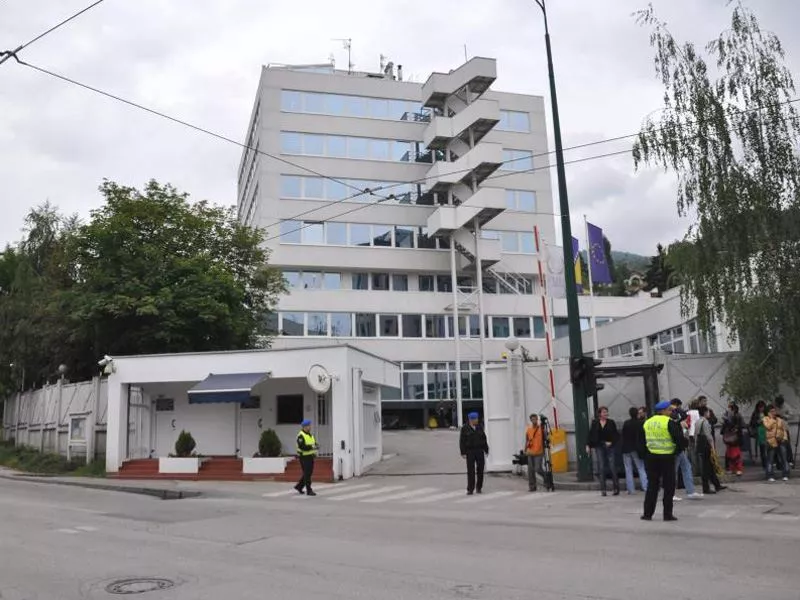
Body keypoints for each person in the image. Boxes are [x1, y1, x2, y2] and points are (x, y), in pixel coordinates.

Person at [642, 400, 688, 522]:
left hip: (651, 456)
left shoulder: (648, 422)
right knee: (669, 486)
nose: (671, 412)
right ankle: (667, 514)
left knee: (652, 486)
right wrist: (679, 449)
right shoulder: (669, 422)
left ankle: (647, 514)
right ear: (662, 411)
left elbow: (643, 440)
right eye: (669, 410)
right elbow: (679, 439)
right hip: (667, 457)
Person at [671, 398, 703, 500]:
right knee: (675, 471)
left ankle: (690, 491)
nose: (687, 422)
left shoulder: (678, 425)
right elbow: (678, 438)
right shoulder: (675, 425)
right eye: (685, 420)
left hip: (679, 450)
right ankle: (672, 493)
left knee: (686, 467)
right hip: (676, 450)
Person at [587, 406, 620, 496]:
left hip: (610, 446)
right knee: (601, 467)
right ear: (600, 414)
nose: (606, 414)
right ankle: (603, 489)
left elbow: (616, 434)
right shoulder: (595, 423)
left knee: (612, 466)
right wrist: (588, 445)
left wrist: (611, 442)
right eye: (604, 412)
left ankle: (616, 488)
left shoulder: (611, 422)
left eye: (606, 412)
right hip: (599, 446)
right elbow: (591, 434)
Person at [696, 406, 726, 494]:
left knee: (710, 466)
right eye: (708, 412)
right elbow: (708, 436)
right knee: (706, 467)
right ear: (705, 412)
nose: (709, 413)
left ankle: (717, 484)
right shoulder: (705, 422)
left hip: (701, 445)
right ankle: (706, 488)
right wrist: (712, 446)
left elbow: (696, 434)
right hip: (706, 446)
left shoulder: (698, 421)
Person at [460, 411, 489, 495]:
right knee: (471, 471)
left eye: (477, 419)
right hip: (470, 451)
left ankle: (479, 487)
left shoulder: (479, 427)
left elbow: (484, 439)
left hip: (479, 450)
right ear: (470, 420)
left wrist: (486, 449)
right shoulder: (465, 428)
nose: (477, 420)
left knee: (480, 469)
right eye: (475, 419)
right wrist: (463, 452)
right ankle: (470, 489)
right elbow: (462, 441)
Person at [621, 406, 648, 494]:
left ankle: (631, 489)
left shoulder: (626, 423)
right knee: (640, 468)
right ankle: (645, 486)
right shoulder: (640, 423)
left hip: (626, 448)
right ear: (637, 414)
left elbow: (623, 435)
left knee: (628, 469)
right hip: (636, 448)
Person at [763, 405, 790, 482]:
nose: (774, 412)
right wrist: (771, 419)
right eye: (772, 411)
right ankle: (770, 475)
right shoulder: (766, 419)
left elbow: (784, 429)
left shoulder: (779, 419)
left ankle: (786, 474)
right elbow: (768, 427)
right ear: (768, 412)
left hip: (780, 440)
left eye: (774, 411)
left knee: (784, 458)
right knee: (770, 459)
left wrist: (785, 438)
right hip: (771, 441)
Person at [294, 418, 318, 496]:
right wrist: (312, 447)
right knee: (307, 474)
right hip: (304, 457)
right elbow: (302, 447)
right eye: (308, 426)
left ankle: (299, 487)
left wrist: (316, 446)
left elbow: (314, 444)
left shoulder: (310, 435)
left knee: (308, 473)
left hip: (310, 456)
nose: (310, 427)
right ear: (304, 427)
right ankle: (309, 490)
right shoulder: (301, 435)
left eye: (310, 425)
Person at [722, 403, 745, 476]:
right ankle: (732, 468)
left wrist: (728, 423)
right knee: (729, 455)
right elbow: (724, 428)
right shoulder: (727, 416)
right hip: (729, 438)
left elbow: (740, 426)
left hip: (735, 439)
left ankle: (738, 469)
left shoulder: (737, 416)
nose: (728, 409)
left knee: (736, 455)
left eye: (730, 408)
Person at [524, 414, 544, 492]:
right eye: (532, 419)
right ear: (531, 420)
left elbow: (545, 439)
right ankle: (532, 486)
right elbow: (527, 440)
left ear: (537, 420)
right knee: (530, 471)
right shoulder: (529, 429)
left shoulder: (541, 429)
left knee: (538, 469)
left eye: (535, 419)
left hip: (539, 452)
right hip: (530, 452)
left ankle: (546, 477)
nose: (534, 421)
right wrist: (525, 449)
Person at [749, 400, 767, 468]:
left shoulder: (766, 413)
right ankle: (764, 463)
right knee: (762, 448)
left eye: (762, 407)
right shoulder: (755, 413)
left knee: (768, 448)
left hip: (767, 430)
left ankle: (770, 462)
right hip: (759, 431)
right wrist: (758, 422)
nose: (761, 409)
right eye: (760, 407)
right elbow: (752, 423)